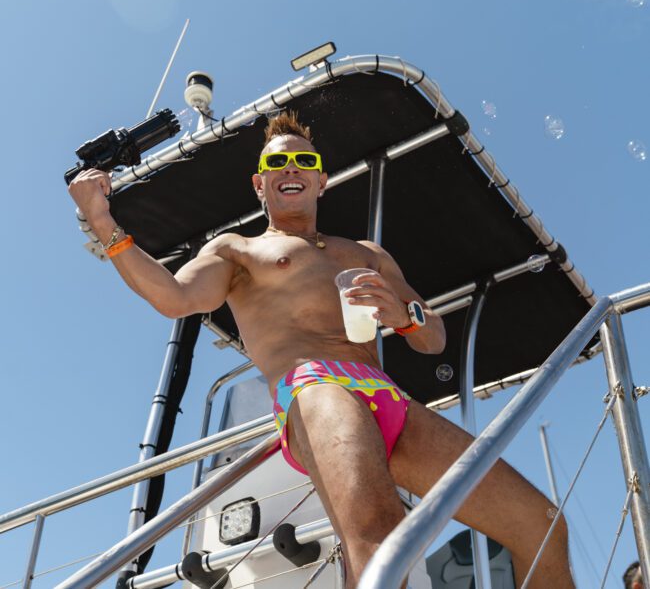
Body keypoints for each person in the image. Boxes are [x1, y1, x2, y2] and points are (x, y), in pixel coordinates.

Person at [68, 111, 574, 588]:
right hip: (314, 388)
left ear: (322, 180)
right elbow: (174, 298)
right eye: (276, 162)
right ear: (259, 183)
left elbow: (433, 337)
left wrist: (403, 317)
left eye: (305, 161)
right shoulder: (235, 249)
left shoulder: (367, 254)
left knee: (543, 524)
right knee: (380, 534)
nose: (292, 168)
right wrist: (103, 222)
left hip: (388, 397)